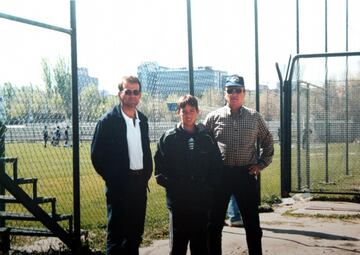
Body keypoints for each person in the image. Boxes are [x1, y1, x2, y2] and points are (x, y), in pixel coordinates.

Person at [204, 74, 274, 255]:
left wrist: (260, 164)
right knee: (213, 224)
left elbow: (267, 140)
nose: (233, 94)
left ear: (244, 93)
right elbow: (203, 145)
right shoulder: (213, 117)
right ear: (224, 93)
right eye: (230, 90)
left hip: (246, 174)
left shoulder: (254, 117)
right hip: (221, 176)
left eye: (238, 90)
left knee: (252, 225)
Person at [91, 76, 153, 255]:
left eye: (136, 92)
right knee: (117, 236)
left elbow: (145, 150)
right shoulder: (108, 121)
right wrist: (114, 178)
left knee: (135, 235)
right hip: (119, 187)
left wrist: (145, 174)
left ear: (140, 95)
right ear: (120, 94)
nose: (132, 95)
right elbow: (97, 156)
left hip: (139, 185)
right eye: (128, 91)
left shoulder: (143, 119)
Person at [154, 95, 222, 255]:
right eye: (184, 111)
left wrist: (209, 188)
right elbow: (159, 171)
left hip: (201, 201)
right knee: (178, 246)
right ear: (178, 112)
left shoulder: (206, 136)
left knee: (200, 246)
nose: (188, 114)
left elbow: (216, 166)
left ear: (198, 112)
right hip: (179, 204)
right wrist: (175, 188)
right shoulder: (169, 138)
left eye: (192, 110)